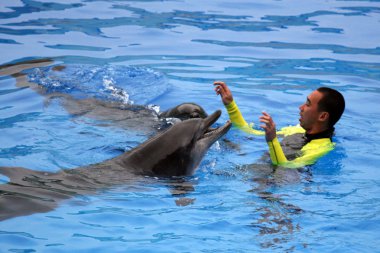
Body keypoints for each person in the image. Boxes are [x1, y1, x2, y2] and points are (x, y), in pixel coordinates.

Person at [214, 81, 345, 168]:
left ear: (322, 116)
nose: (301, 107)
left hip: (284, 179)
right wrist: (230, 105)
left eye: (308, 104)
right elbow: (251, 132)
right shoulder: (296, 129)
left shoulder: (322, 147)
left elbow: (287, 166)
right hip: (267, 166)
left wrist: (272, 141)